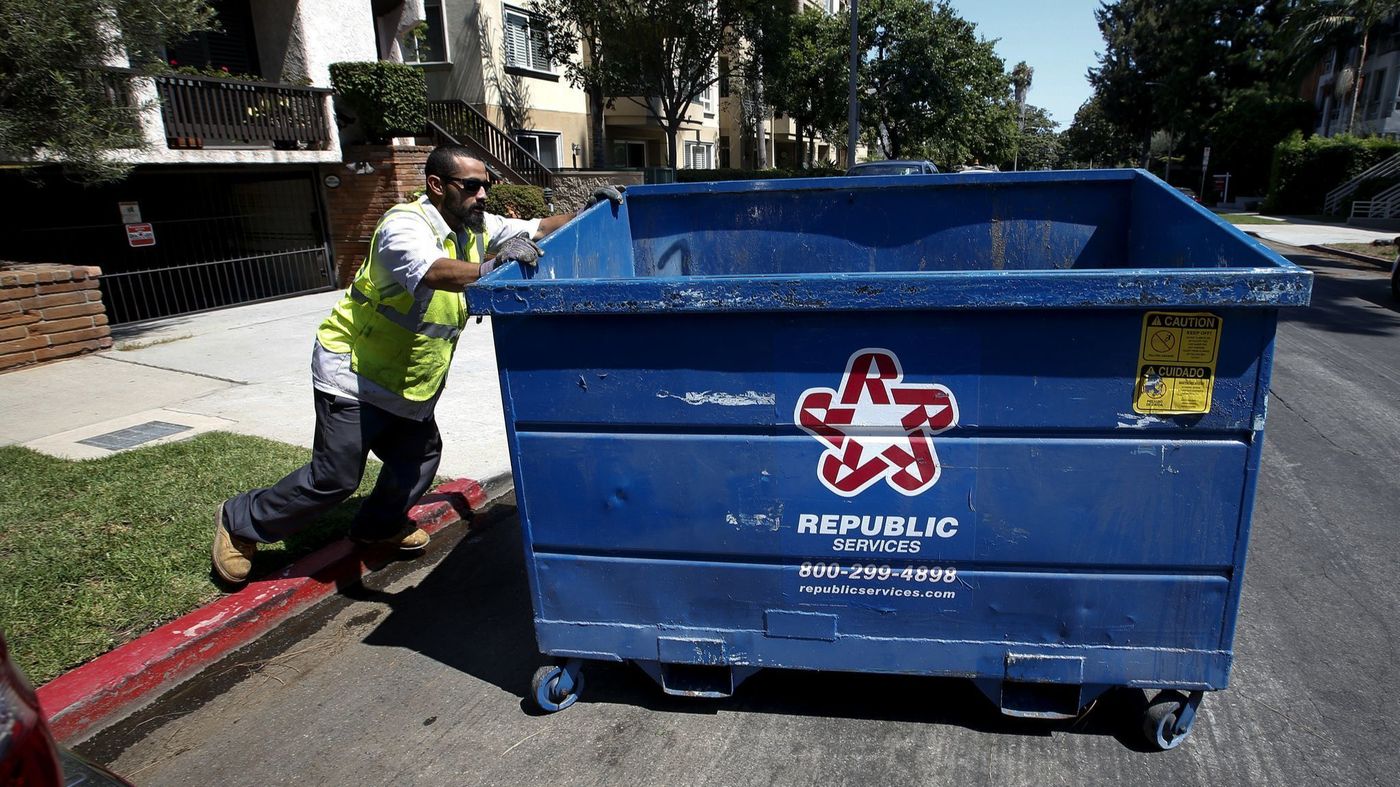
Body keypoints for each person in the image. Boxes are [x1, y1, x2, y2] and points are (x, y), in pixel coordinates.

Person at [212, 144, 622, 584]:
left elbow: (540, 228)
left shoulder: (475, 226)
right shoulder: (404, 226)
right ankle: (242, 522)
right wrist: (491, 266)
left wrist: (587, 213)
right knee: (335, 477)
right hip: (354, 370)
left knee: (419, 457)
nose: (482, 194)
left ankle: (376, 527)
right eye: (471, 186)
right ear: (437, 185)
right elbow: (433, 271)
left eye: (486, 185)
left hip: (409, 378)